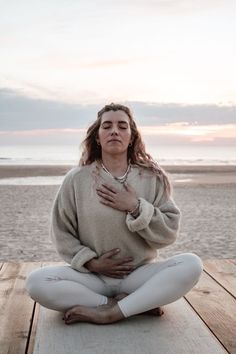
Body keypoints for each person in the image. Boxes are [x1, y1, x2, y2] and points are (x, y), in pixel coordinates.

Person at [25, 102, 203, 325]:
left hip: (139, 275)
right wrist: (91, 263)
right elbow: (61, 231)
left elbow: (169, 232)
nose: (114, 131)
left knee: (192, 264)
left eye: (122, 126)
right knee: (36, 282)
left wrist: (136, 206)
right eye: (107, 126)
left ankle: (111, 312)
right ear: (98, 137)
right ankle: (123, 304)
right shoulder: (77, 179)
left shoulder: (151, 178)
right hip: (92, 278)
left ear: (132, 136)